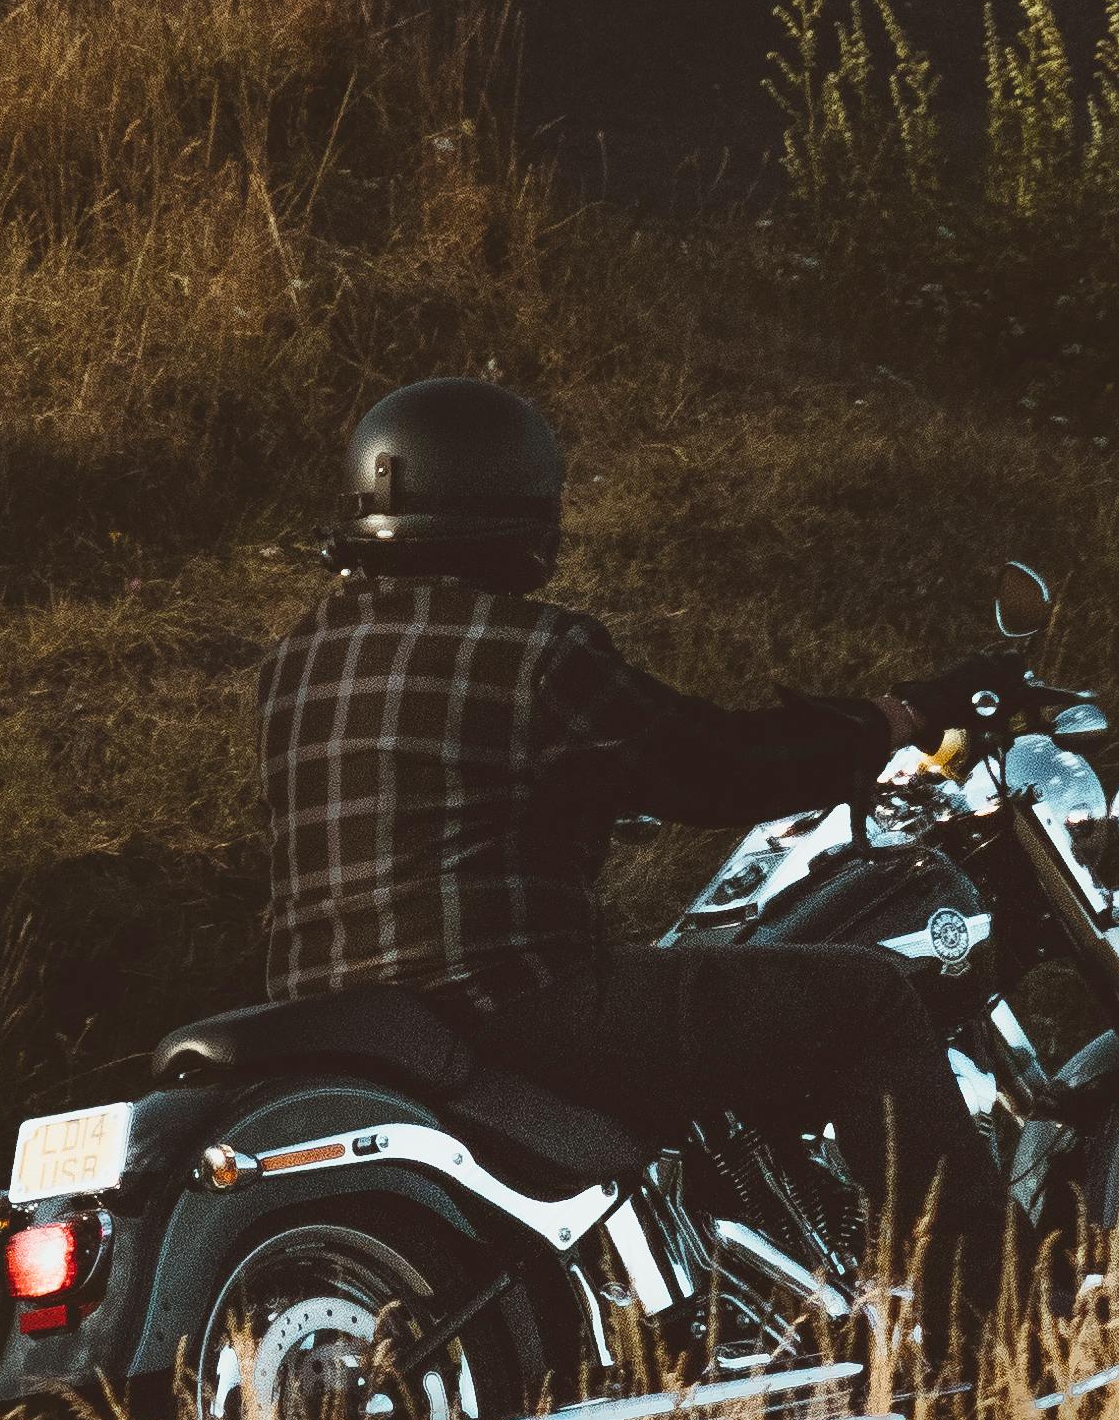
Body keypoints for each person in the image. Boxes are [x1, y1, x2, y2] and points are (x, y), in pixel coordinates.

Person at [255, 375, 1012, 1348]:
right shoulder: (534, 650)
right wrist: (892, 719)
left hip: (331, 1027)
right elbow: (717, 766)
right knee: (868, 996)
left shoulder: (294, 661)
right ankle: (985, 1351)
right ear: (521, 510)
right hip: (510, 1009)